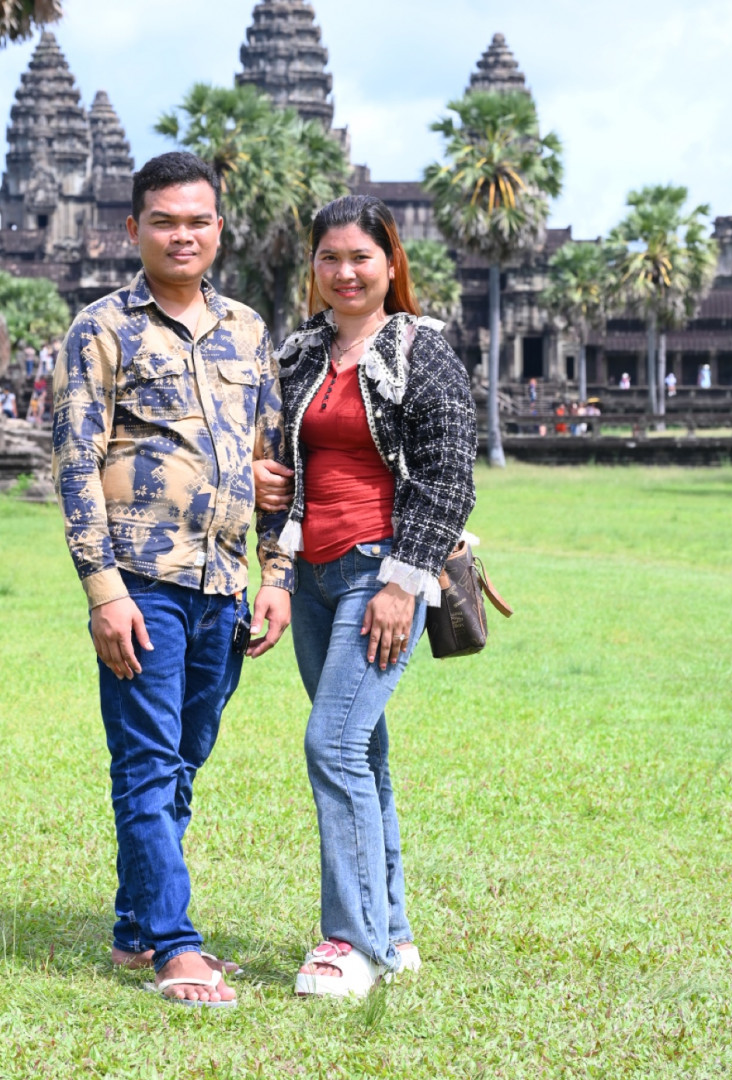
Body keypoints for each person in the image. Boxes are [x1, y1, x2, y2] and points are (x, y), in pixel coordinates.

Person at [52, 151, 292, 1009]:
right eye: (164, 221)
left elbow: (274, 465)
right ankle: (177, 946)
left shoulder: (249, 330)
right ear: (134, 230)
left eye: (197, 221)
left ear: (218, 230)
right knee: (149, 764)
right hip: (143, 580)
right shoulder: (101, 329)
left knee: (183, 762)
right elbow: (76, 465)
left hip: (224, 585)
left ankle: (134, 929)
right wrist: (104, 593)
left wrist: (277, 573)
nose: (181, 235)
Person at [255, 195, 476, 998]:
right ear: (313, 266)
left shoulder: (423, 351)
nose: (344, 273)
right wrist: (274, 560)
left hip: (381, 573)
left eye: (360, 258)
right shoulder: (300, 354)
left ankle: (349, 943)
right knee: (362, 750)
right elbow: (282, 469)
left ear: (390, 264)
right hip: (314, 575)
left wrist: (401, 583)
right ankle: (393, 932)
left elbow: (449, 480)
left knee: (333, 744)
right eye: (329, 258)